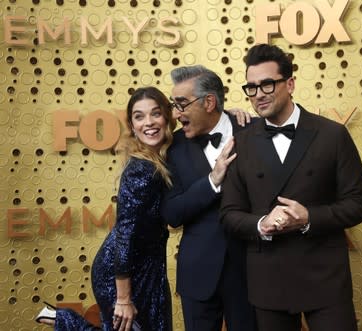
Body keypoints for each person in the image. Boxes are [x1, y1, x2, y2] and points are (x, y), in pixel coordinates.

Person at [219, 43, 362, 331]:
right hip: (268, 282)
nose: (259, 94)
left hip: (325, 279)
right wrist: (262, 224)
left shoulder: (332, 135)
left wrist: (309, 218)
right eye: (251, 87)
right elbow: (229, 214)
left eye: (267, 84)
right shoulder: (242, 143)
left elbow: (360, 203)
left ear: (289, 84)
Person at [35, 86, 176, 331]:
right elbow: (124, 232)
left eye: (156, 113)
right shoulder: (141, 170)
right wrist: (123, 298)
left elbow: (201, 128)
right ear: (132, 126)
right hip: (120, 274)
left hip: (149, 267)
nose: (149, 122)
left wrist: (233, 115)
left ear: (167, 117)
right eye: (139, 116)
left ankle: (60, 319)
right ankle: (64, 320)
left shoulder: (164, 155)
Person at [161, 65, 257, 331]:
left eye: (182, 104)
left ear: (210, 102)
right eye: (174, 104)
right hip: (198, 274)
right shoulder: (172, 147)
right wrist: (212, 181)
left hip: (251, 272)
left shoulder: (255, 130)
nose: (176, 114)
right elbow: (172, 213)